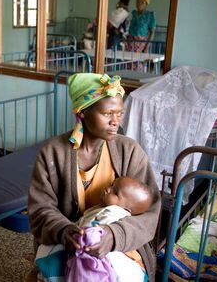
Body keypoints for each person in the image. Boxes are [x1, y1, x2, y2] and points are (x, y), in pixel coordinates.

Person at [28, 73, 161, 281]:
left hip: (119, 246)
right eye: (107, 113)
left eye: (120, 113)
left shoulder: (130, 151)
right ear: (82, 113)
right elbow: (40, 209)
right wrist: (65, 231)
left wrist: (113, 236)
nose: (115, 121)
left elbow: (150, 213)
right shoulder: (52, 153)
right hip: (64, 244)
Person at [35, 176, 152, 281]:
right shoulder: (104, 207)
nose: (108, 189)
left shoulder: (114, 212)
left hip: (98, 249)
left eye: (115, 192)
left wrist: (87, 233)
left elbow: (97, 229)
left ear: (127, 209)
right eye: (112, 184)